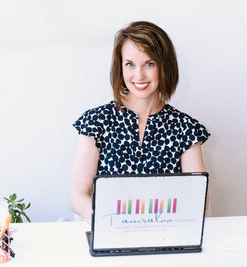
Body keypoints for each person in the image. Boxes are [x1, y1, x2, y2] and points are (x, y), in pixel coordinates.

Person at [70, 21, 210, 222]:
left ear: (165, 67)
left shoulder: (186, 128)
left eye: (149, 64)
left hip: (166, 239)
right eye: (130, 64)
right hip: (109, 235)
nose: (139, 75)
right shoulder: (96, 122)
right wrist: (103, 219)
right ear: (120, 68)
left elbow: (198, 199)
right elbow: (78, 195)